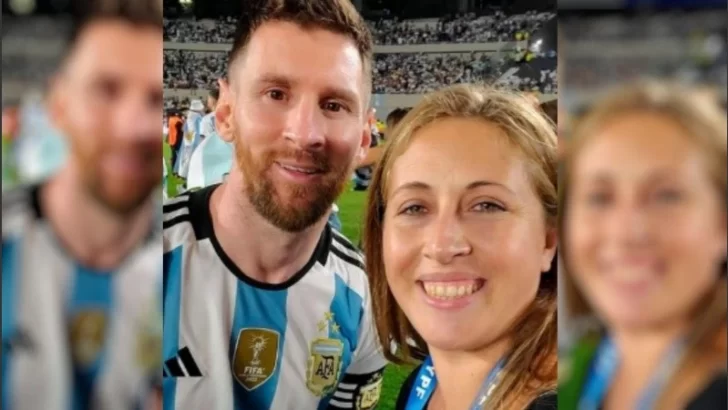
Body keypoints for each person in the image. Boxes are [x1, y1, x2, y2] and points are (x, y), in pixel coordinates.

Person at [162, 1, 387, 409]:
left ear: (363, 138)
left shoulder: (362, 300)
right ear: (226, 114)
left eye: (334, 105)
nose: (305, 133)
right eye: (276, 94)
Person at [2, 1, 163, 409]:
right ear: (59, 104)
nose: (132, 126)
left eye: (156, 99)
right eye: (106, 90)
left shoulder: (190, 267)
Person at [363, 85, 559, 410]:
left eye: (486, 206)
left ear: (549, 240)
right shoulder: (420, 388)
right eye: (414, 207)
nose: (442, 246)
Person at [558, 81, 727, 410]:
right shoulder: (577, 371)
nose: (628, 232)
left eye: (666, 196)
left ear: (722, 224)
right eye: (600, 197)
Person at [186, 89, 232, 190]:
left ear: (212, 101)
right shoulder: (231, 116)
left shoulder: (206, 120)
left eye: (208, 100)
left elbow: (204, 140)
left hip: (212, 157)